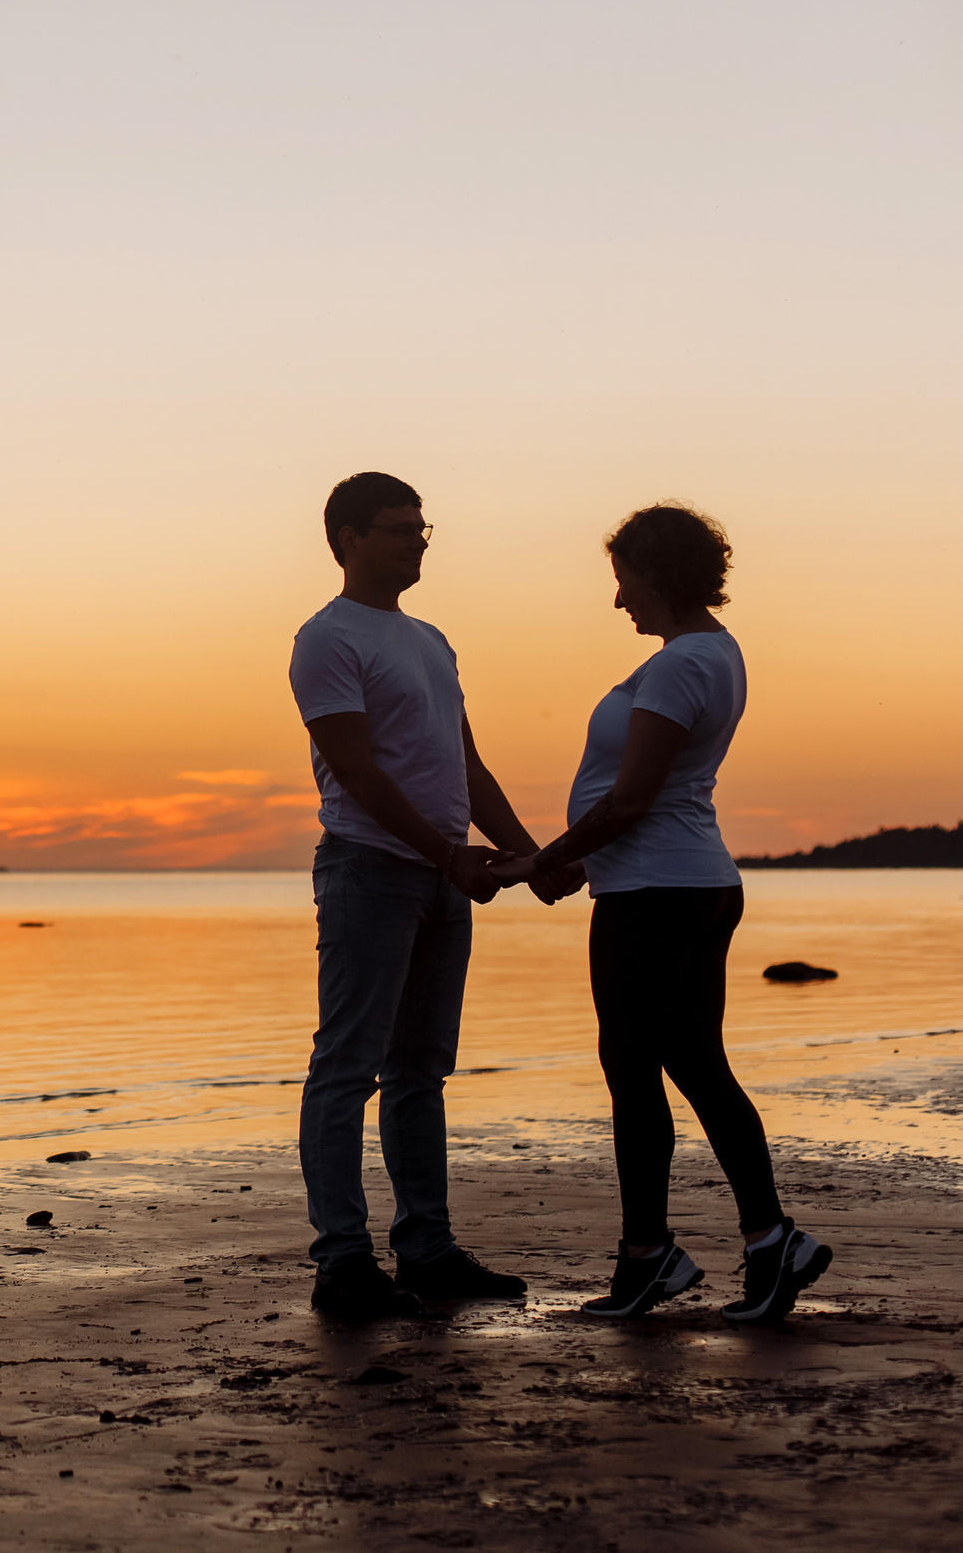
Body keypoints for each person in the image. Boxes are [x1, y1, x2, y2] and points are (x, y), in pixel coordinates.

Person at [492, 504, 833, 1322]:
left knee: (634, 1072)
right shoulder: (713, 653)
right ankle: (768, 1239)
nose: (619, 602)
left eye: (625, 582)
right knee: (694, 1063)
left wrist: (542, 861)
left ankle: (648, 1256)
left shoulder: (684, 664)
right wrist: (570, 855)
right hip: (690, 881)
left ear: (662, 574)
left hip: (654, 891)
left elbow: (632, 799)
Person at [288, 473, 540, 1320]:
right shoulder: (326, 639)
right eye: (399, 529)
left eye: (423, 527)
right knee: (345, 1066)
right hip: (369, 871)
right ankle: (343, 1261)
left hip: (441, 877)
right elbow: (356, 770)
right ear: (348, 538)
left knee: (421, 1070)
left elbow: (464, 763)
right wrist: (444, 851)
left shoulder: (432, 640)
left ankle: (426, 1248)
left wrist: (524, 849)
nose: (418, 541)